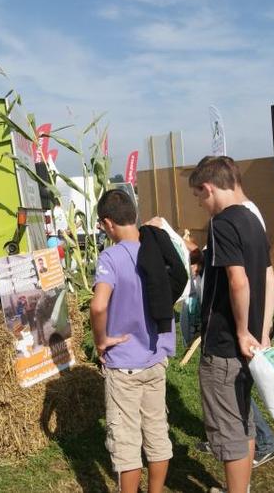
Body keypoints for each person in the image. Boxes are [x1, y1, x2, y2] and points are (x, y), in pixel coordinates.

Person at [189, 156, 274, 493]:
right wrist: (263, 331)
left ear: (209, 188)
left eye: (199, 196)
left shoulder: (222, 223)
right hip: (250, 344)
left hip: (226, 344)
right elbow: (269, 279)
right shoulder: (253, 219)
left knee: (228, 431)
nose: (200, 203)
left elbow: (238, 281)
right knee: (243, 421)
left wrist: (241, 331)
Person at [90, 189, 174, 493]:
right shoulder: (154, 249)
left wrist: (102, 341)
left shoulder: (110, 257)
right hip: (155, 357)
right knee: (157, 434)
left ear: (108, 223)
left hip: (124, 363)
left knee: (126, 443)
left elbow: (98, 305)